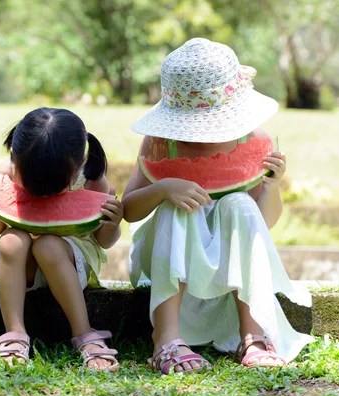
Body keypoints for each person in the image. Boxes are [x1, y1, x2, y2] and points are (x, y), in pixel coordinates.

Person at [122, 38, 313, 374]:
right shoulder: (158, 143)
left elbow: (263, 223)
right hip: (170, 267)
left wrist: (271, 186)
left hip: (229, 271)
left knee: (240, 203)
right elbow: (129, 210)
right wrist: (163, 188)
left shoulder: (252, 140)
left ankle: (252, 336)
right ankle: (165, 339)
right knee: (176, 208)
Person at [0, 107, 123, 371]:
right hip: (21, 271)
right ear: (14, 159)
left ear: (80, 165)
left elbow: (104, 241)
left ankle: (84, 333)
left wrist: (112, 223)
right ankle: (15, 334)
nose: (42, 198)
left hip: (69, 265)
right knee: (11, 240)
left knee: (48, 244)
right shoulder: (5, 173)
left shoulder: (92, 181)